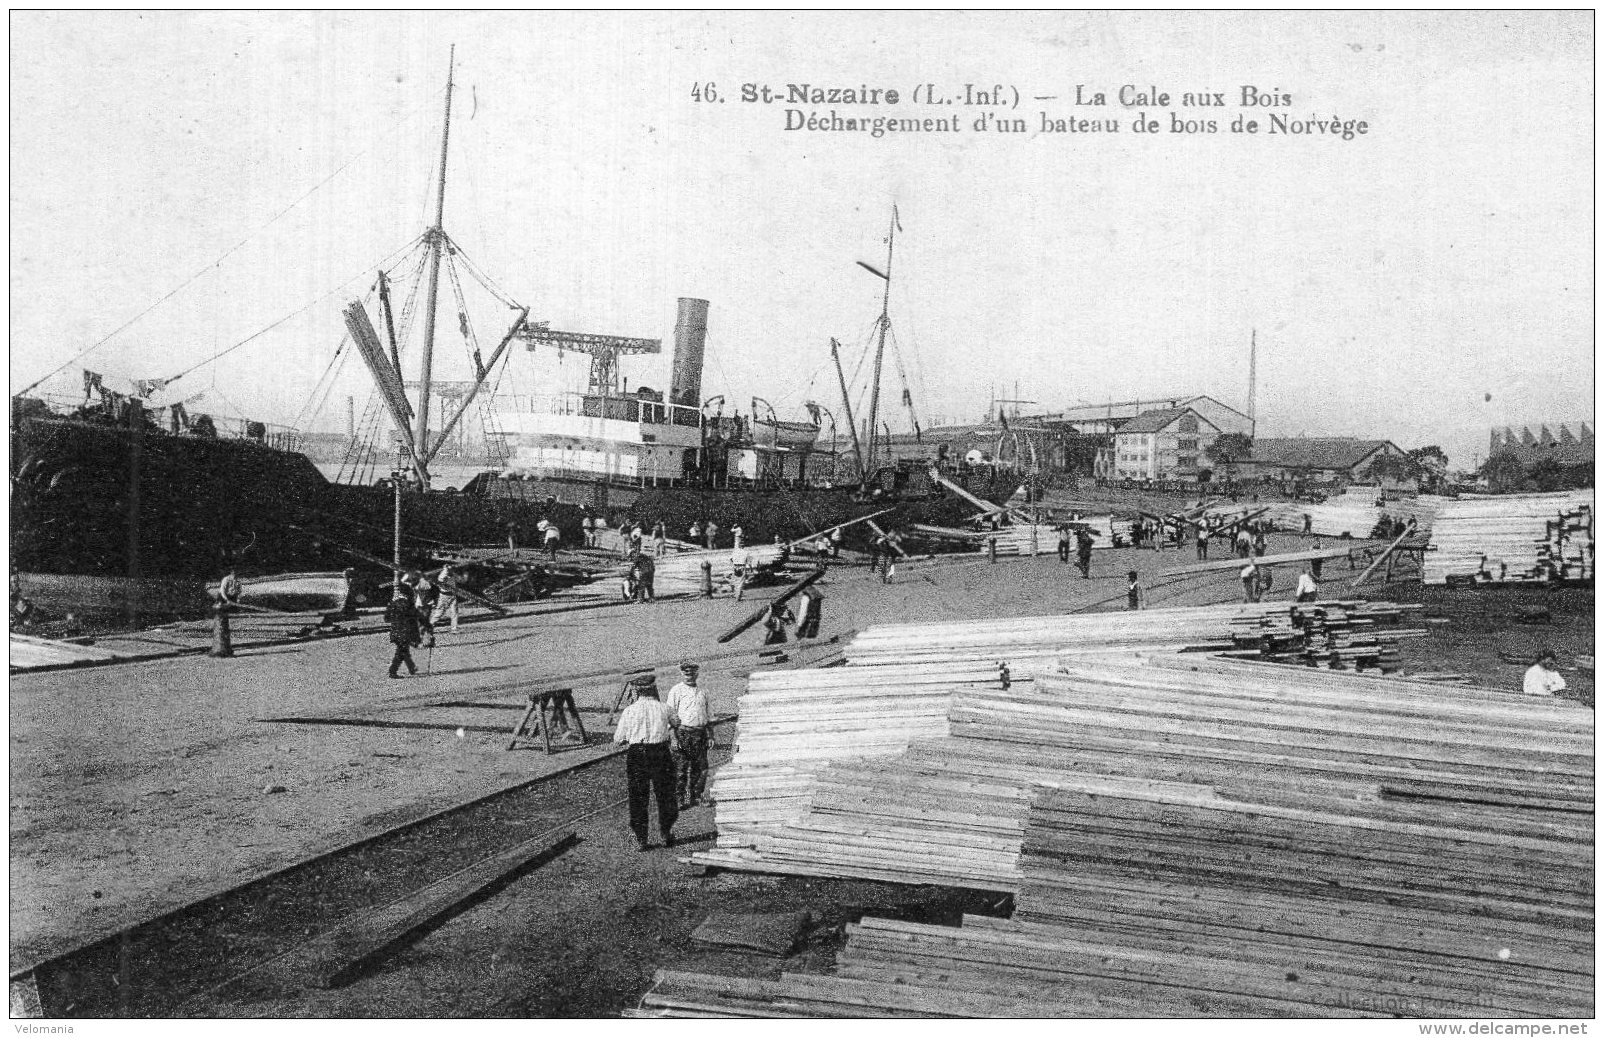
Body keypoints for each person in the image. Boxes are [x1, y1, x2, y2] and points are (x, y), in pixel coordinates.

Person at [612, 675, 678, 850]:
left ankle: (641, 839)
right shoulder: (665, 708)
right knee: (665, 795)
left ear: (636, 691)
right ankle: (666, 833)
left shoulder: (629, 711)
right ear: (653, 689)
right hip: (660, 753)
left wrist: (631, 736)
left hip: (637, 755)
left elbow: (618, 739)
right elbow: (677, 722)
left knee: (638, 797)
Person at [667, 662, 712, 808]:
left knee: (700, 768)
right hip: (683, 733)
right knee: (680, 769)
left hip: (700, 734)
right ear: (682, 674)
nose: (690, 676)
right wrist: (673, 738)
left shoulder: (703, 691)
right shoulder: (676, 691)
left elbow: (708, 716)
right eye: (686, 674)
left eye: (692, 673)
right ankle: (679, 799)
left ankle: (696, 796)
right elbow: (670, 716)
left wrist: (710, 736)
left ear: (697, 674)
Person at [385, 591, 421, 678]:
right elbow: (414, 623)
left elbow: (386, 618)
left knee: (403, 650)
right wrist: (417, 638)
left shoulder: (392, 606)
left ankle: (411, 668)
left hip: (395, 633)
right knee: (401, 653)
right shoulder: (410, 606)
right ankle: (392, 671)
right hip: (405, 633)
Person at [414, 571, 438, 647]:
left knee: (423, 623)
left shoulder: (426, 583)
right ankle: (428, 640)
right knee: (423, 623)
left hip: (425, 605)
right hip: (421, 604)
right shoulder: (422, 583)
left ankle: (425, 641)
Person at [433, 565, 460, 631]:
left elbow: (459, 580)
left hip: (453, 595)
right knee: (439, 613)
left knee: (454, 612)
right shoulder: (442, 576)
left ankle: (454, 628)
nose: (451, 571)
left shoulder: (453, 574)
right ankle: (429, 626)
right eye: (449, 570)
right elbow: (441, 581)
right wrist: (446, 572)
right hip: (444, 596)